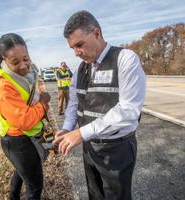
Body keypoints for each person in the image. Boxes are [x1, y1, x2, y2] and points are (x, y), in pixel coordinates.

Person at [53, 10, 146, 200]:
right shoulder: (80, 69)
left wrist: (81, 133)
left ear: (96, 33)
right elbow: (74, 103)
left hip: (116, 150)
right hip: (89, 148)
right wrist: (67, 128)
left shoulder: (125, 59)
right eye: (72, 48)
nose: (76, 53)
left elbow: (128, 110)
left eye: (79, 45)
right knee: (95, 195)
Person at [0, 33, 50, 200]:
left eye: (26, 59)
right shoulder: (4, 84)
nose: (23, 66)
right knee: (35, 187)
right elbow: (24, 120)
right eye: (15, 62)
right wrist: (43, 105)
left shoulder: (27, 74)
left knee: (21, 172)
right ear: (4, 60)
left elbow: (33, 92)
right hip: (18, 142)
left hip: (26, 138)